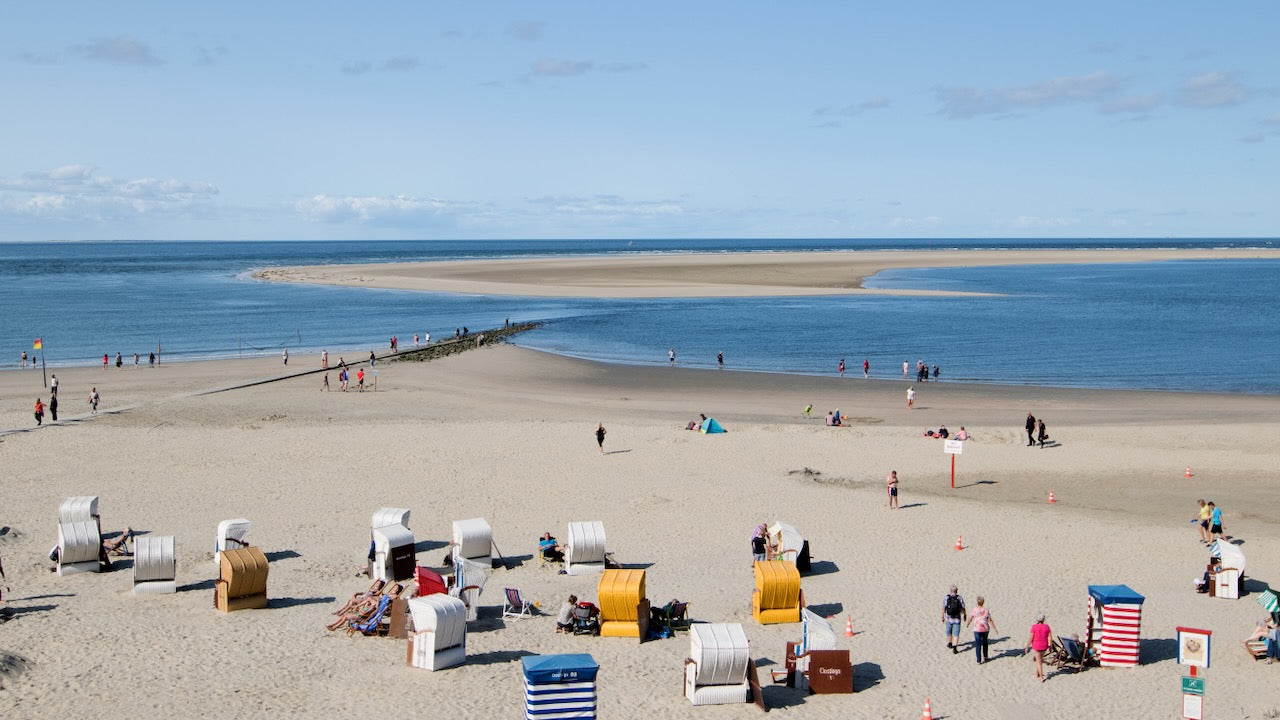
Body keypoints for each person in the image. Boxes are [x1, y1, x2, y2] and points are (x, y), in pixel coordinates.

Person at [966, 596, 997, 664]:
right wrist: (994, 628)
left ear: (977, 602)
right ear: (983, 602)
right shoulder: (986, 610)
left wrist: (968, 624)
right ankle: (985, 657)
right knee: (985, 643)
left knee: (978, 644)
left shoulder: (975, 609)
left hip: (977, 629)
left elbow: (970, 617)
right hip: (985, 628)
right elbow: (990, 620)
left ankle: (978, 660)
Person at [1025, 615, 1054, 682]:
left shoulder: (1034, 627)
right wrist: (1050, 646)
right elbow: (1050, 638)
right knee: (1040, 659)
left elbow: (1031, 638)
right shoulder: (1047, 627)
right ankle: (1037, 673)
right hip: (1044, 646)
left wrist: (1027, 646)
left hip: (1037, 646)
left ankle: (1041, 677)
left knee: (1038, 661)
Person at [943, 586, 967, 653]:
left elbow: (944, 607)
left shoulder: (947, 597)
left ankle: (949, 643)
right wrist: (965, 615)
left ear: (950, 590)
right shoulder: (959, 598)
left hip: (948, 618)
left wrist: (942, 616)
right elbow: (963, 608)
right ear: (957, 591)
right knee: (956, 634)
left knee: (949, 631)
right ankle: (955, 648)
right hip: (957, 619)